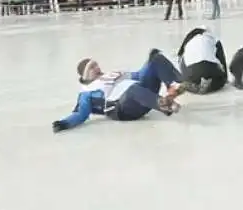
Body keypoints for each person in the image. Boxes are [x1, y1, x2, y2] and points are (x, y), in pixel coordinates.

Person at [51, 50, 188, 133]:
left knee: (155, 58)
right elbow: (81, 113)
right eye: (92, 68)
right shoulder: (87, 91)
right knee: (132, 90)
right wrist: (64, 123)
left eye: (96, 64)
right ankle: (163, 104)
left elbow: (138, 75)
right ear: (85, 75)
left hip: (141, 96)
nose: (97, 68)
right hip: (122, 110)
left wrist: (150, 62)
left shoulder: (111, 74)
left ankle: (179, 84)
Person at [176, 26, 228, 94]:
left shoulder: (189, 41)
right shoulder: (214, 39)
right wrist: (224, 77)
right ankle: (209, 86)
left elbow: (180, 59)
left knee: (189, 77)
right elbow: (222, 59)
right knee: (221, 80)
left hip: (191, 70)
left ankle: (192, 83)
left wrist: (184, 76)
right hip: (210, 68)